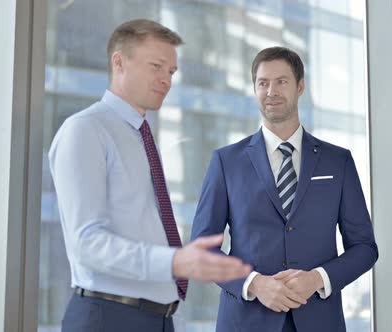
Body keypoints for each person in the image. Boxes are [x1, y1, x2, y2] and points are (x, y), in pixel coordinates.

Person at [49, 19, 251, 332]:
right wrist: (175, 262)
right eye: (156, 66)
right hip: (108, 318)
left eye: (171, 72)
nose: (166, 80)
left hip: (158, 318)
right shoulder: (85, 130)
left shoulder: (141, 135)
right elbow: (86, 243)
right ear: (119, 62)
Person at [190, 46, 378, 332]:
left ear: (300, 86)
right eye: (263, 83)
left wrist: (317, 278)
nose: (271, 91)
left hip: (318, 319)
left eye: (281, 82)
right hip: (247, 321)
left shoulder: (337, 161)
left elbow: (364, 247)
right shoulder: (226, 162)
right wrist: (255, 284)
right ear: (254, 89)